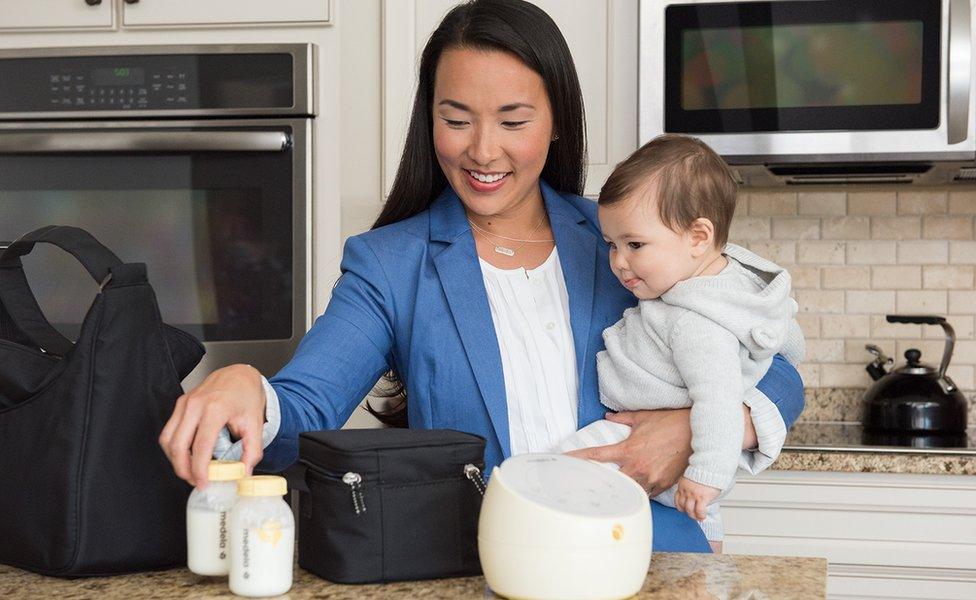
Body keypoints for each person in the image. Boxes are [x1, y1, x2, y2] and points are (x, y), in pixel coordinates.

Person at [158, 0, 804, 553]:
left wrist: (697, 428)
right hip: (486, 570)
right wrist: (243, 384)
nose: (483, 150)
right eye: (456, 118)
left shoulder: (626, 243)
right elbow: (303, 406)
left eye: (514, 121)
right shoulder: (389, 264)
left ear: (555, 125)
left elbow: (772, 360)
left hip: (651, 559)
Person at [556, 134, 805, 552]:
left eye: (634, 244)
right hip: (688, 458)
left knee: (562, 470)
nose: (618, 261)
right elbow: (787, 346)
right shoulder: (724, 283)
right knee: (703, 527)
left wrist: (705, 473)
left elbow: (720, 399)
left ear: (698, 237)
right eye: (611, 245)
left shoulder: (695, 322)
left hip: (661, 444)